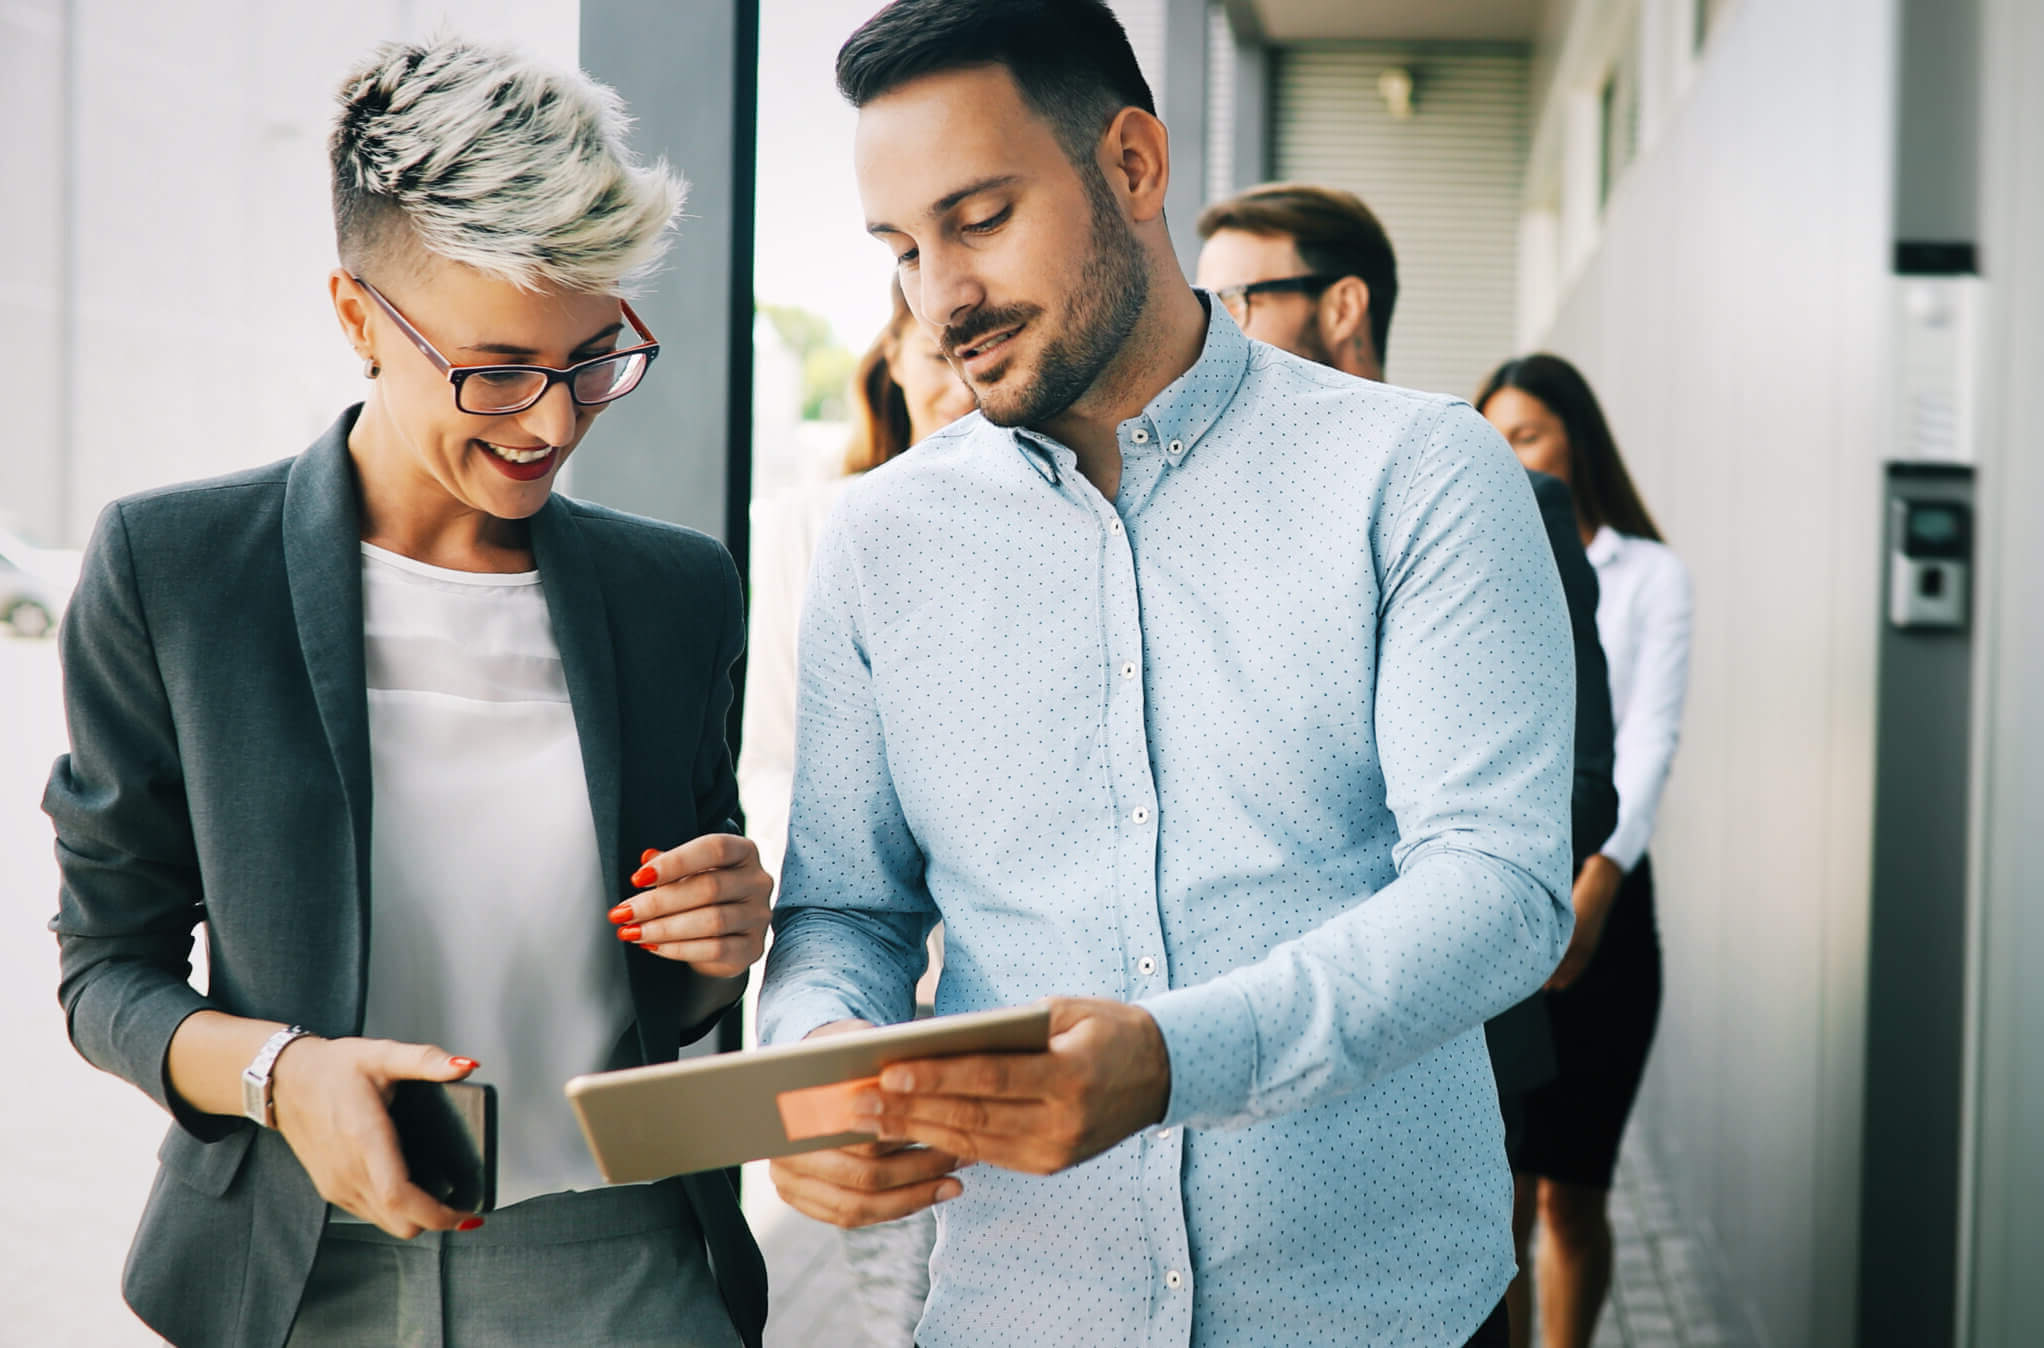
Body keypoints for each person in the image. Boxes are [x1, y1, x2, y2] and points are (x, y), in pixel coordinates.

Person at [757, 3, 1578, 1345]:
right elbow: (846, 910)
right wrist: (811, 1067)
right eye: (902, 250)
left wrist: (1176, 1060)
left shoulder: (1419, 474)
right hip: (1022, 1315)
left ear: (1134, 164)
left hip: (1384, 1317)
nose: (940, 296)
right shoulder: (877, 543)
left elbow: (1498, 888)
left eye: (979, 219)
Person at [43, 36, 770, 1348]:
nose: (550, 423)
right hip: (298, 1266)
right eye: (496, 369)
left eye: (591, 357)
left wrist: (717, 948)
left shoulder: (678, 595)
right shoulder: (179, 571)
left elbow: (668, 995)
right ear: (356, 316)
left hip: (621, 1263)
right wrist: (283, 1076)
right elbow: (107, 970)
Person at [1193, 183, 1621, 1168]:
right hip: (1241, 1056)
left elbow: (1584, 786)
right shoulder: (1216, 521)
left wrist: (1427, 869)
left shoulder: (1498, 503)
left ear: (1343, 306)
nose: (1209, 334)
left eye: (1237, 302)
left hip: (1453, 1037)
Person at [738, 281, 972, 1345]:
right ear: (894, 361)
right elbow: (780, 762)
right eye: (934, 354)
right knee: (897, 1291)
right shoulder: (813, 527)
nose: (957, 382)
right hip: (880, 980)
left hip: (1015, 992)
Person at [1477, 353, 1694, 1348]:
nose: (1509, 455)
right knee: (1509, 1193)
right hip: (1509, 894)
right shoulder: (1476, 554)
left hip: (1607, 897)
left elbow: (1646, 739)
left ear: (1577, 444)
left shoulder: (1649, 574)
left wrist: (1597, 884)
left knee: (1574, 1193)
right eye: (1494, 436)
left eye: (1526, 436)